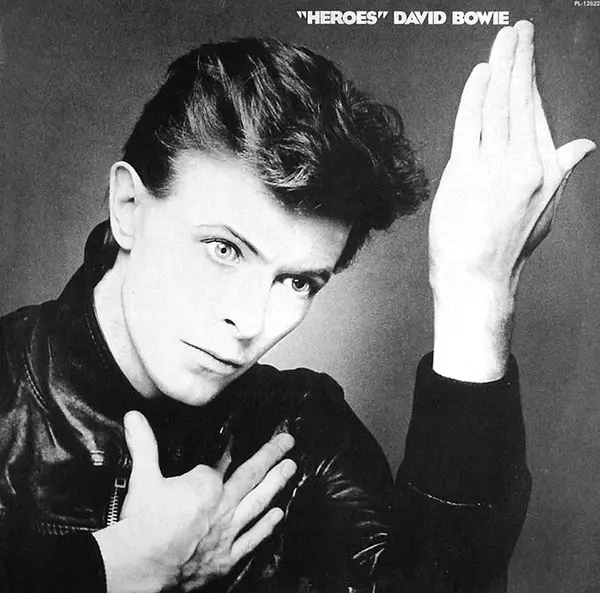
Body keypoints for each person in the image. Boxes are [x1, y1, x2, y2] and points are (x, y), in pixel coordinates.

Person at [0, 20, 594, 593]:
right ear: (129, 207)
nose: (249, 321)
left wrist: (476, 292)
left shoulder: (301, 432)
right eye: (224, 249)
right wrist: (119, 567)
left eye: (297, 282)